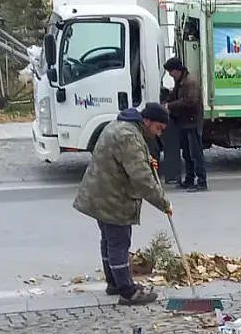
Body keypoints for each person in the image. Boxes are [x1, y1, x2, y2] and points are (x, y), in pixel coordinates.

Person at [73, 103, 173, 305]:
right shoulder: (129, 137)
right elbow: (142, 178)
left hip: (100, 192)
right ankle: (127, 291)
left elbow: (131, 161)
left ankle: (114, 282)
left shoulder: (122, 126)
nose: (159, 134)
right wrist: (164, 203)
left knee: (109, 241)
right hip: (113, 197)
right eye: (158, 128)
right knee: (119, 242)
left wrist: (146, 159)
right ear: (147, 121)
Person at [163, 57, 207, 191]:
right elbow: (175, 96)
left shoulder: (190, 82)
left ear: (177, 70)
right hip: (185, 122)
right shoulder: (180, 81)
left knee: (196, 153)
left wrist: (169, 106)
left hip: (192, 122)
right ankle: (189, 179)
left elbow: (190, 101)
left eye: (171, 72)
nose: (170, 75)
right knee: (187, 154)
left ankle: (201, 182)